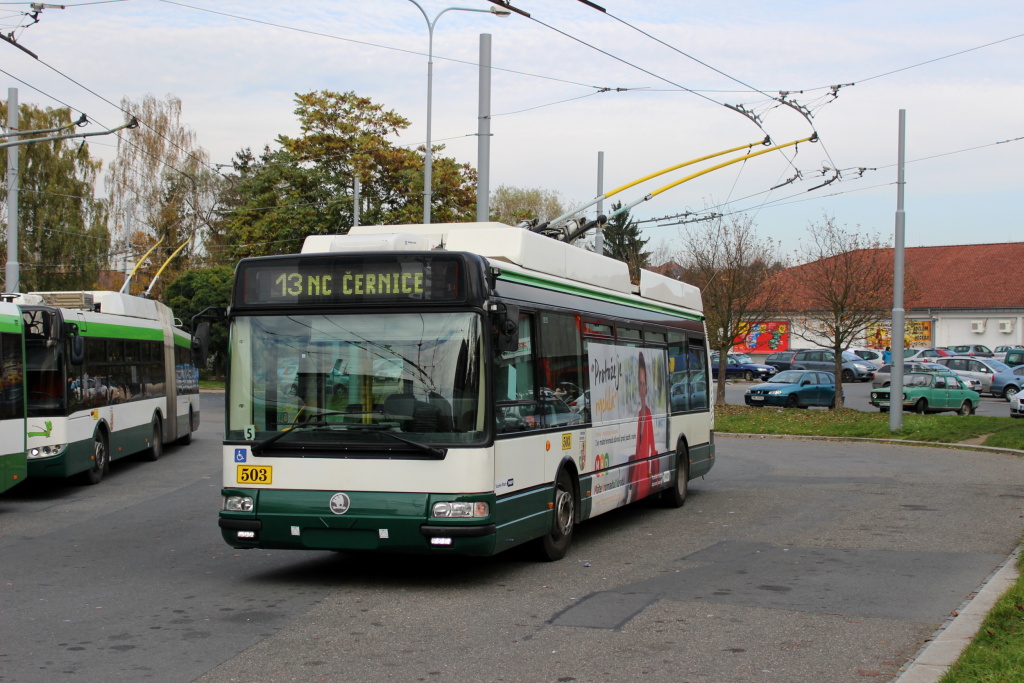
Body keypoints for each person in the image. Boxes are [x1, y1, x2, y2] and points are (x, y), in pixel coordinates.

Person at [628, 353, 658, 504]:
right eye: (639, 384)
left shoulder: (649, 414)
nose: (642, 388)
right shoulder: (638, 414)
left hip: (647, 471)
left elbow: (652, 448)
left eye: (644, 384)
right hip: (639, 473)